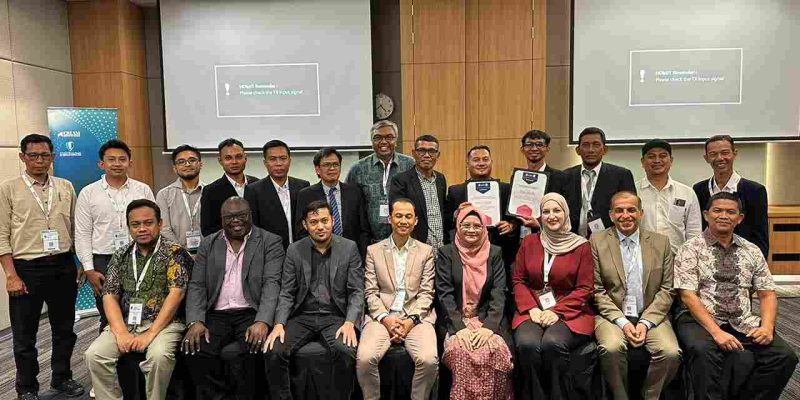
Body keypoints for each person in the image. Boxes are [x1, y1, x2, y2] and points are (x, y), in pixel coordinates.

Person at [674, 192, 797, 399]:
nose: (724, 216)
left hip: (742, 319)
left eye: (730, 212)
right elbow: (688, 295)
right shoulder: (690, 249)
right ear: (706, 215)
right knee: (703, 351)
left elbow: (767, 294)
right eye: (717, 210)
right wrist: (716, 332)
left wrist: (767, 327)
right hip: (699, 319)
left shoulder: (752, 250)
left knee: (784, 356)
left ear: (739, 218)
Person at [0, 134, 83, 400]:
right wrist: (10, 275)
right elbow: (1, 235)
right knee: (25, 334)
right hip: (26, 268)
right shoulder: (8, 189)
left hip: (62, 264)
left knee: (64, 329)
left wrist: (80, 262)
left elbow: (75, 227)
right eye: (33, 155)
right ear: (22, 157)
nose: (39, 160)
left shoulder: (66, 186)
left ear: (53, 157)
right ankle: (27, 387)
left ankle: (62, 377)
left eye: (45, 155)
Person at [84, 199, 193, 400]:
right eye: (135, 224)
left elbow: (176, 294)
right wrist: (121, 332)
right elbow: (109, 295)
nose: (142, 229)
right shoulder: (121, 254)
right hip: (127, 322)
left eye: (148, 223)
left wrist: (150, 334)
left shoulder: (175, 253)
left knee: (159, 356)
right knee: (95, 355)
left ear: (160, 224)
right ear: (129, 228)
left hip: (166, 324)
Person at [184, 197, 285, 399]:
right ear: (221, 219)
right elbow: (197, 285)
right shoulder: (209, 243)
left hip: (251, 312)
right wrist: (195, 321)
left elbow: (272, 284)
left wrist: (263, 321)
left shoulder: (270, 241)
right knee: (195, 349)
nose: (236, 221)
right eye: (230, 217)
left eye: (241, 215)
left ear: (250, 216)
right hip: (216, 314)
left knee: (248, 352)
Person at [265, 200, 365, 400]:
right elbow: (287, 292)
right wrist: (279, 324)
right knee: (274, 350)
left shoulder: (349, 248)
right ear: (305, 225)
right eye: (314, 222)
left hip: (336, 316)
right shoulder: (295, 250)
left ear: (332, 220)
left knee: (345, 351)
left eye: (325, 220)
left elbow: (357, 291)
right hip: (303, 315)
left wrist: (350, 322)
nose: (320, 226)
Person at [592, 191, 681, 400]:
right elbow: (597, 290)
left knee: (670, 353)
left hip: (650, 313)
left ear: (641, 213)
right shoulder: (597, 241)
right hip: (612, 315)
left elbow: (667, 288)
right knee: (611, 348)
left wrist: (645, 322)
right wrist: (623, 322)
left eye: (631, 210)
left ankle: (649, 396)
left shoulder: (661, 242)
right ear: (611, 215)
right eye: (619, 211)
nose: (625, 215)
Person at [512, 193, 594, 400]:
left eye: (557, 210)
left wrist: (557, 312)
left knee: (553, 343)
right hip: (532, 309)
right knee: (527, 344)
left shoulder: (582, 246)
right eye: (546, 212)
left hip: (570, 311)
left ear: (565, 213)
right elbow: (518, 280)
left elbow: (585, 288)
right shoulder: (529, 242)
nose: (551, 216)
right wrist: (531, 308)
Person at [356, 198, 438, 400]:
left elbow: (426, 293)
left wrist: (410, 321)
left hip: (416, 317)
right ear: (390, 219)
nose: (403, 221)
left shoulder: (426, 251)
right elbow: (370, 292)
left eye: (408, 216)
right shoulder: (374, 251)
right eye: (398, 216)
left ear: (415, 221)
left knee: (428, 360)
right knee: (365, 359)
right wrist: (386, 319)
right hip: (381, 317)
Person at [76, 139, 155, 333]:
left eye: (122, 159)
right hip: (103, 260)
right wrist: (89, 269)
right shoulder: (88, 193)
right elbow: (82, 233)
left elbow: (153, 226)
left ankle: (139, 348)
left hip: (140, 256)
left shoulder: (142, 190)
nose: (117, 164)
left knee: (141, 309)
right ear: (101, 164)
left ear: (130, 162)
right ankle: (110, 349)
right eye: (111, 159)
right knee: (108, 314)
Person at [435, 205, 513, 400]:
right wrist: (459, 329)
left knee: (495, 350)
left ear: (484, 228)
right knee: (459, 351)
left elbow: (499, 292)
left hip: (486, 319)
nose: (471, 230)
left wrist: (489, 328)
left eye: (477, 226)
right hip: (456, 320)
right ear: (458, 226)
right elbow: (445, 295)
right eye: (466, 225)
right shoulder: (446, 253)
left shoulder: (494, 253)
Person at [446, 145, 519, 273]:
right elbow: (447, 223)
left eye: (485, 159)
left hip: (501, 253)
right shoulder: (455, 191)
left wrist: (511, 226)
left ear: (491, 162)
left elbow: (516, 220)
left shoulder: (506, 189)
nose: (481, 163)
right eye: (476, 160)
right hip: (466, 256)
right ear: (467, 164)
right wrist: (457, 214)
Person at [693, 134, 769, 258]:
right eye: (713, 154)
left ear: (734, 153)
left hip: (743, 260)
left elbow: (760, 237)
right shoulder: (698, 189)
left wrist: (755, 264)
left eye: (725, 153)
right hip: (706, 260)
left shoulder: (755, 191)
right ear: (706, 158)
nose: (720, 158)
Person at [295, 147, 372, 256]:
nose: (332, 168)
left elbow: (364, 230)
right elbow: (301, 231)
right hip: (318, 256)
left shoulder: (355, 192)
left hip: (351, 255)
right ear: (317, 169)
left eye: (336, 164)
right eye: (327, 165)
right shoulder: (306, 195)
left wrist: (361, 255)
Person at [346, 120, 415, 241]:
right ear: (371, 141)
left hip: (405, 239)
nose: (383, 142)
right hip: (369, 240)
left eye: (389, 137)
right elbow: (349, 205)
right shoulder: (358, 169)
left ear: (396, 140)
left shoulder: (410, 165)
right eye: (377, 138)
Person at [561, 127, 636, 237]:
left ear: (604, 149)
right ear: (578, 150)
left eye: (596, 145)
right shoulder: (565, 176)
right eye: (585, 145)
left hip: (610, 239)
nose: (591, 150)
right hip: (571, 239)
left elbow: (630, 211)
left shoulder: (621, 175)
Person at [636, 139, 701, 254]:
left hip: (678, 259)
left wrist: (690, 259)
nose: (657, 160)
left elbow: (694, 233)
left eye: (662, 156)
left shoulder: (686, 193)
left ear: (671, 160)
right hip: (641, 258)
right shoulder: (633, 192)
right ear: (642, 162)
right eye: (651, 156)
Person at [244, 140, 310, 249]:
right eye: (273, 159)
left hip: (301, 250)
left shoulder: (303, 186)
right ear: (265, 163)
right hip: (270, 251)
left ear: (289, 161)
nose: (278, 163)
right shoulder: (253, 190)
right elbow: (253, 228)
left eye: (283, 158)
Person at [388, 134, 448, 250]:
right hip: (415, 249)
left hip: (441, 248)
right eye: (421, 151)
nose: (427, 155)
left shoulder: (440, 179)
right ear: (414, 153)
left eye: (432, 151)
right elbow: (398, 216)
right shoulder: (401, 181)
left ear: (438, 155)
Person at [200, 138, 258, 236]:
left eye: (238, 157)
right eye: (228, 158)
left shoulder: (258, 184)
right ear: (220, 161)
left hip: (259, 242)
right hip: (227, 243)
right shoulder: (211, 191)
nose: (234, 162)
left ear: (245, 158)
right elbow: (208, 230)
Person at [156, 144, 205, 254]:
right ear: (175, 168)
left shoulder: (209, 191)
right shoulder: (164, 195)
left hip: (207, 254)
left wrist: (205, 252)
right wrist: (182, 253)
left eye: (192, 160)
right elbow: (164, 229)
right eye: (181, 162)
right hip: (175, 255)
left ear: (200, 164)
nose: (187, 164)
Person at [517, 129, 565, 237]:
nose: (534, 148)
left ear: (547, 149)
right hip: (520, 239)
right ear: (522, 149)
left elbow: (566, 214)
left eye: (539, 144)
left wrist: (540, 224)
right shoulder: (517, 177)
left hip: (550, 238)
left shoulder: (560, 178)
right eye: (529, 144)